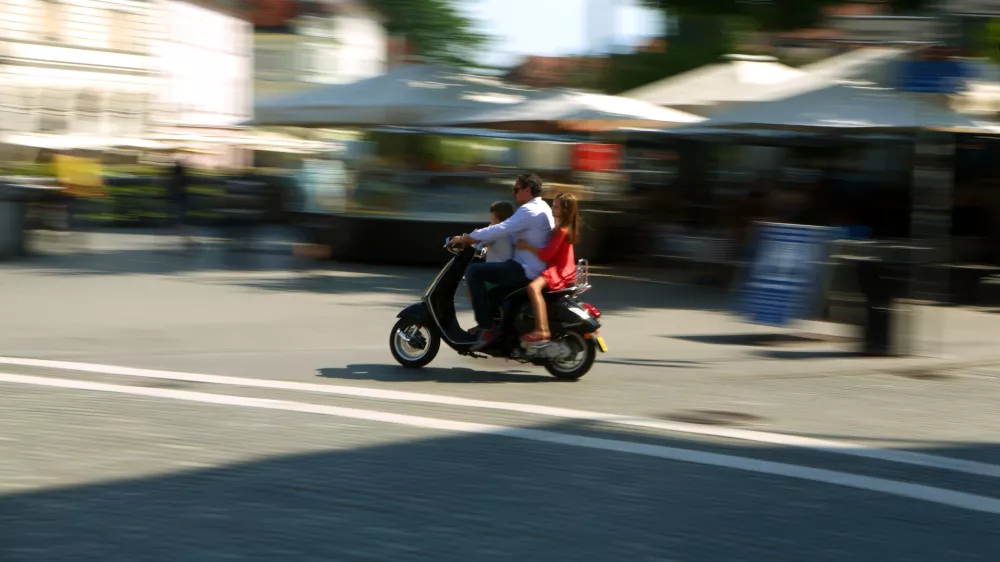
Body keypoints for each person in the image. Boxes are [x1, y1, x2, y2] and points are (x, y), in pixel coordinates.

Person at [450, 173, 554, 349]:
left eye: (516, 189)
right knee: (492, 295)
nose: (514, 194)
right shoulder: (543, 207)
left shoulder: (529, 210)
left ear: (527, 190)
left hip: (525, 269)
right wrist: (479, 239)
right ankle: (501, 330)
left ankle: (486, 327)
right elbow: (503, 231)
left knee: (474, 271)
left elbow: (501, 228)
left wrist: (467, 238)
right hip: (533, 267)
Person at [515, 193, 580, 343]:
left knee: (533, 288)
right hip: (562, 268)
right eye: (553, 205)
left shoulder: (561, 230)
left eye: (556, 207)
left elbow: (545, 255)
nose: (552, 209)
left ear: (564, 211)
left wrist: (526, 246)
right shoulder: (562, 227)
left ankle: (542, 330)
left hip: (558, 270)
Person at [466, 200, 516, 304]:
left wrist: (461, 240)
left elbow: (476, 239)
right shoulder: (513, 228)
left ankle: (483, 312)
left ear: (497, 218)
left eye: (492, 217)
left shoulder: (496, 231)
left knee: (472, 282)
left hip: (497, 273)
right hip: (512, 270)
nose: (490, 220)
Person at [167, 158, 196, 250]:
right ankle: (185, 235)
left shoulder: (175, 178)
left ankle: (185, 236)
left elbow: (172, 188)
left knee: (179, 218)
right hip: (182, 198)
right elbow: (188, 182)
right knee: (181, 217)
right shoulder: (182, 178)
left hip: (177, 198)